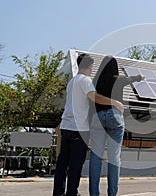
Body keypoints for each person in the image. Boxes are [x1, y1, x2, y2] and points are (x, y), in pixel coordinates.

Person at [53, 53, 123, 196]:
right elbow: (94, 97)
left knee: (62, 163)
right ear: (89, 66)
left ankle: (58, 192)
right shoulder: (85, 81)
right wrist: (114, 102)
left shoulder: (71, 82)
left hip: (66, 125)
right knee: (75, 164)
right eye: (91, 66)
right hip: (78, 128)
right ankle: (72, 193)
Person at [89, 56, 144, 196]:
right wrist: (141, 77)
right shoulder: (118, 79)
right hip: (114, 116)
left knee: (96, 157)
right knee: (114, 157)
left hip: (97, 117)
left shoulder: (94, 81)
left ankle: (94, 193)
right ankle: (112, 193)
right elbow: (132, 79)